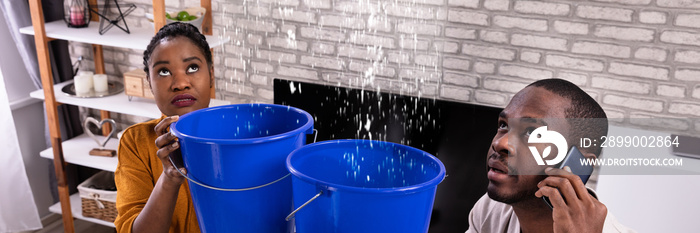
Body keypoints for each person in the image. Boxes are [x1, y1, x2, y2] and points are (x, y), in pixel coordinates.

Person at [466, 79, 634, 233]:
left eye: (532, 132)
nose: (500, 143)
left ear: (578, 163)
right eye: (503, 125)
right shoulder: (491, 209)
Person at [114, 22, 214, 233]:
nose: (180, 83)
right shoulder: (136, 142)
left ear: (211, 76)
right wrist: (169, 177)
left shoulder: (237, 137)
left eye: (192, 68)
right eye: (164, 72)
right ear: (149, 84)